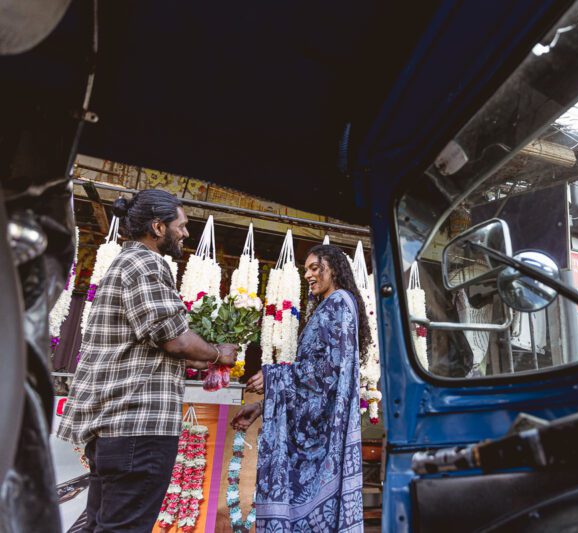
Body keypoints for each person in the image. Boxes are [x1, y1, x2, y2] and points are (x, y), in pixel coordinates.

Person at [56, 189, 237, 532]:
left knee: (99, 524)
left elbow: (151, 343)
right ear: (158, 226)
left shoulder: (125, 263)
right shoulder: (146, 262)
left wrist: (195, 358)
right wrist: (217, 354)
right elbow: (174, 339)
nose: (185, 233)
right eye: (180, 226)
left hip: (117, 429)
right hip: (138, 428)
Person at [232, 244, 370, 533]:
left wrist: (274, 376)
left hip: (322, 435)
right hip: (308, 428)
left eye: (314, 268)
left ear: (333, 268)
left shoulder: (340, 303)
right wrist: (261, 406)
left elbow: (331, 369)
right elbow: (309, 380)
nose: (307, 274)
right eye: (305, 269)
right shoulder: (327, 307)